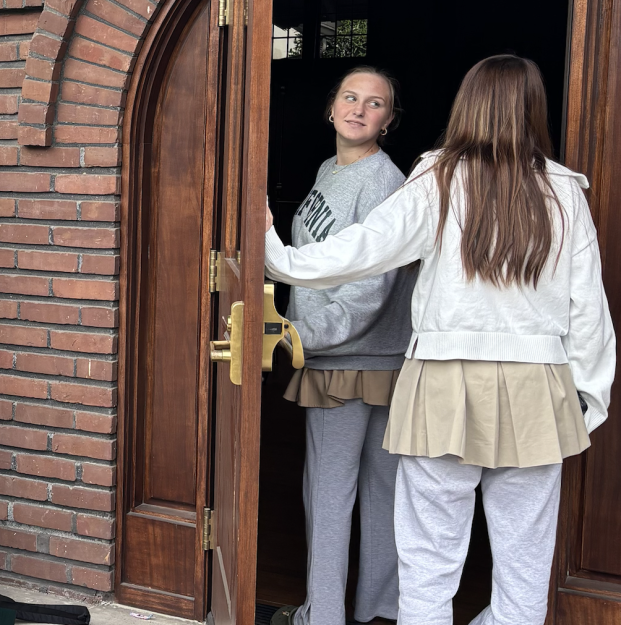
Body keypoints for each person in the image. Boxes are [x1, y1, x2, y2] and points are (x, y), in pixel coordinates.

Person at [264, 55, 616, 625]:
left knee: (429, 556)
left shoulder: (438, 177)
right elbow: (589, 309)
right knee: (524, 565)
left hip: (444, 379)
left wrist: (275, 254)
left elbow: (363, 249)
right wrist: (589, 398)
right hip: (538, 383)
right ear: (534, 108)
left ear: (466, 105)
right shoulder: (563, 191)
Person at [270, 67, 414, 625]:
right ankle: (377, 611)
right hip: (368, 356)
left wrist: (302, 335)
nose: (358, 109)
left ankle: (323, 614)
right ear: (330, 107)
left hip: (348, 358)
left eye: (374, 103)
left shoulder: (382, 180)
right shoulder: (330, 170)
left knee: (331, 493)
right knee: (379, 491)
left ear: (389, 120)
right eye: (350, 97)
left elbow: (370, 286)